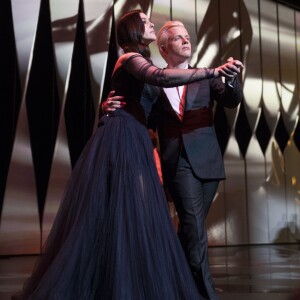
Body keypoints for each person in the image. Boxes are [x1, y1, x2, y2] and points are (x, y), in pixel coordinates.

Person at [15, 10, 241, 300]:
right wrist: (213, 70)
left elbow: (131, 95)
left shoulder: (142, 63)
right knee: (136, 215)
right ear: (140, 33)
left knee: (152, 219)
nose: (151, 24)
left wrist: (108, 104)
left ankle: (146, 281)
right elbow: (155, 80)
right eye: (146, 22)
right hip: (129, 142)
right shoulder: (132, 59)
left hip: (150, 145)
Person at [103, 20, 244, 300]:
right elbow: (133, 104)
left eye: (187, 37)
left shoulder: (205, 76)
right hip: (176, 161)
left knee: (191, 231)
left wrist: (232, 78)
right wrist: (107, 105)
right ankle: (204, 294)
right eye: (178, 38)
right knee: (194, 228)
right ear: (164, 48)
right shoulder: (152, 80)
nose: (186, 41)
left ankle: (174, 283)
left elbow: (231, 100)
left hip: (208, 162)